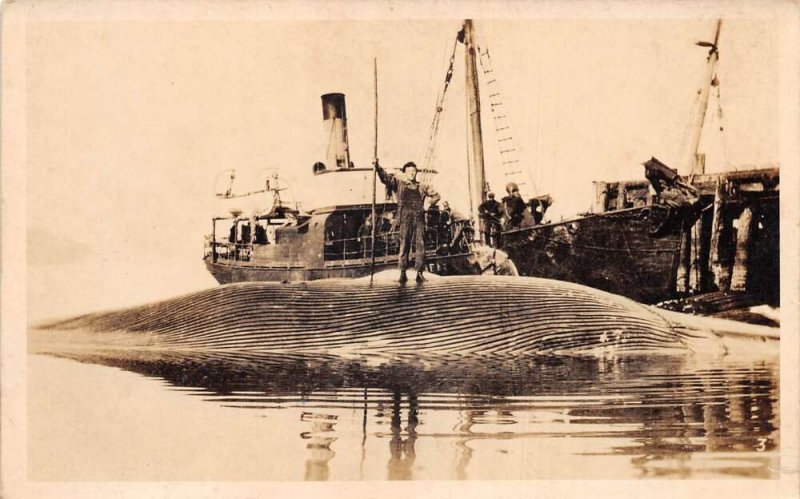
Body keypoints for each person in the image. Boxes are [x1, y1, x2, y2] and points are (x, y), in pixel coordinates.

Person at [374, 160, 440, 283]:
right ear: (405, 173)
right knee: (404, 245)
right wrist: (377, 166)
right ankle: (403, 273)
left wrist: (428, 205)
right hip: (405, 218)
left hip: (419, 218)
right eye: (409, 171)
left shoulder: (422, 186)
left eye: (414, 171)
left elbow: (436, 196)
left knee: (420, 245)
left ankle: (419, 273)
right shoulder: (399, 184)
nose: (412, 173)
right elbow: (385, 178)